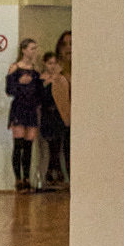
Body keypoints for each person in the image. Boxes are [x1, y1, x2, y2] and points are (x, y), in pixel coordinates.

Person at [5, 38, 45, 192]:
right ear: (24, 50)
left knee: (29, 146)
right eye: (32, 48)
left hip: (32, 108)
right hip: (19, 108)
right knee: (19, 145)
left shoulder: (35, 70)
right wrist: (19, 82)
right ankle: (18, 180)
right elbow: (9, 90)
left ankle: (27, 178)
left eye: (35, 48)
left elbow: (39, 92)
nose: (34, 51)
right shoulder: (15, 68)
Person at [41, 52, 71, 191]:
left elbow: (64, 99)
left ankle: (57, 175)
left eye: (54, 63)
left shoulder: (61, 79)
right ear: (45, 64)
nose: (52, 66)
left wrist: (66, 117)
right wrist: (46, 84)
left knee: (58, 146)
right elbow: (39, 97)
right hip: (47, 115)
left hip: (59, 115)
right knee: (51, 146)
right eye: (49, 63)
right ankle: (51, 175)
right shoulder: (41, 79)